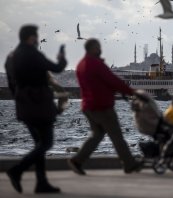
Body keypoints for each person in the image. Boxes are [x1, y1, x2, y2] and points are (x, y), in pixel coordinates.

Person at [4, 24, 67, 194]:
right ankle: (17, 170)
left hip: (23, 105)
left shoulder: (11, 57)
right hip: (39, 104)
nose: (37, 38)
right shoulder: (32, 53)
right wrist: (62, 57)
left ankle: (41, 183)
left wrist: (20, 97)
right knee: (47, 142)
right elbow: (57, 68)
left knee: (39, 144)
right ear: (31, 37)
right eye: (36, 35)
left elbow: (11, 84)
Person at [67, 38, 142, 175]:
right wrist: (131, 92)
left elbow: (97, 83)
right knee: (117, 136)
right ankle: (129, 164)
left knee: (97, 135)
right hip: (102, 106)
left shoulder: (81, 65)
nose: (99, 49)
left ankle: (77, 160)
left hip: (88, 106)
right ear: (92, 48)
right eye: (97, 47)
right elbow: (112, 80)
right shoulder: (95, 64)